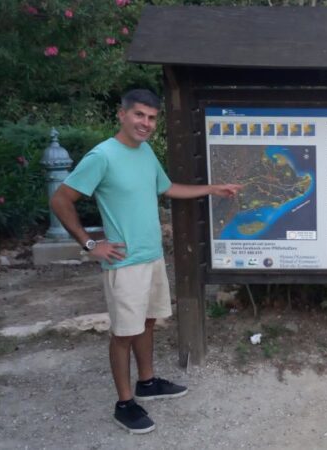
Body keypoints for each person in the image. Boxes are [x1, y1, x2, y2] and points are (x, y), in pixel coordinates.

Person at [50, 89, 242, 433]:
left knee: (148, 322)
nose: (146, 124)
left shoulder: (145, 151)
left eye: (152, 118)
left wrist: (213, 189)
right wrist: (90, 243)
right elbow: (61, 199)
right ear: (121, 115)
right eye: (139, 115)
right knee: (123, 333)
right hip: (124, 263)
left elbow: (167, 189)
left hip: (151, 257)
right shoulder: (102, 156)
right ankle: (124, 404)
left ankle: (148, 382)